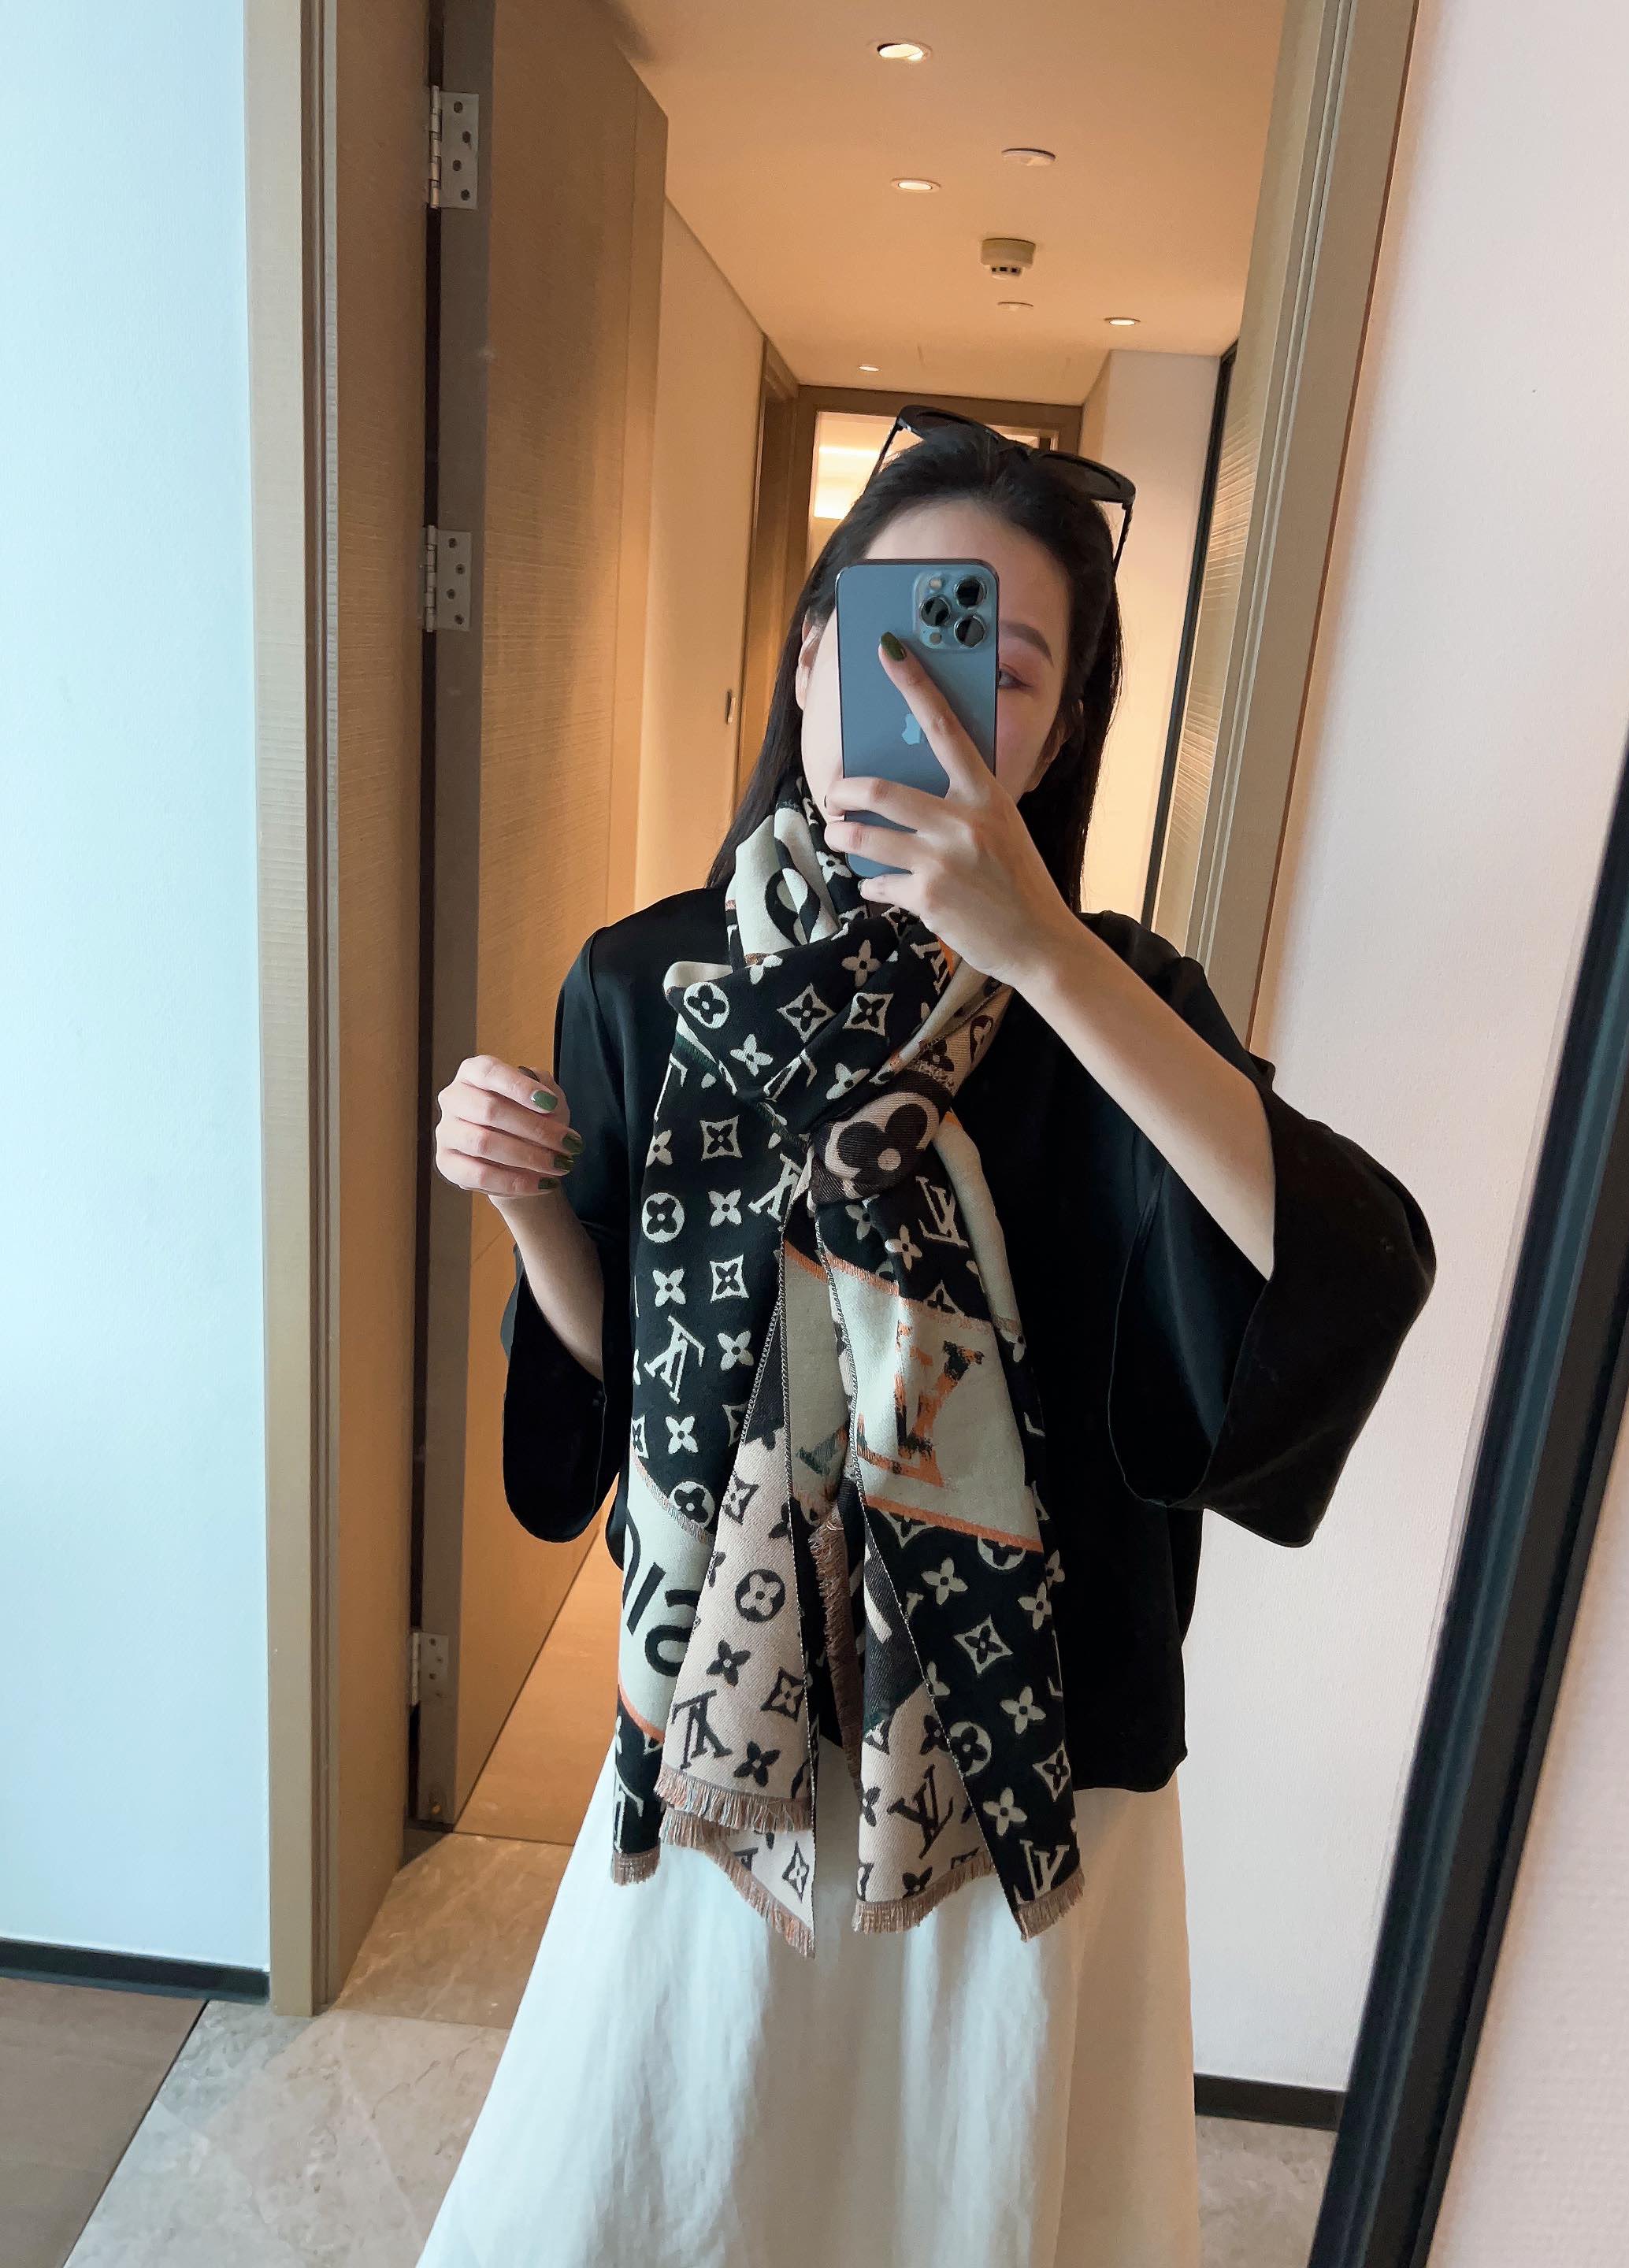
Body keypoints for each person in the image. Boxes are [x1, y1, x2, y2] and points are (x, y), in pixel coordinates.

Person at [417, 415, 1436, 2268]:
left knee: (970, 2199)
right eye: (886, 634)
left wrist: (1042, 949)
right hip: (723, 1734)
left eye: (1000, 666)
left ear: (1053, 733)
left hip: (1029, 1753)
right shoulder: (644, 981)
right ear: (812, 658)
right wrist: (529, 1206)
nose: (928, 694)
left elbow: (1346, 1268)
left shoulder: (1121, 1003)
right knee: (670, 2181)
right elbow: (616, 1384)